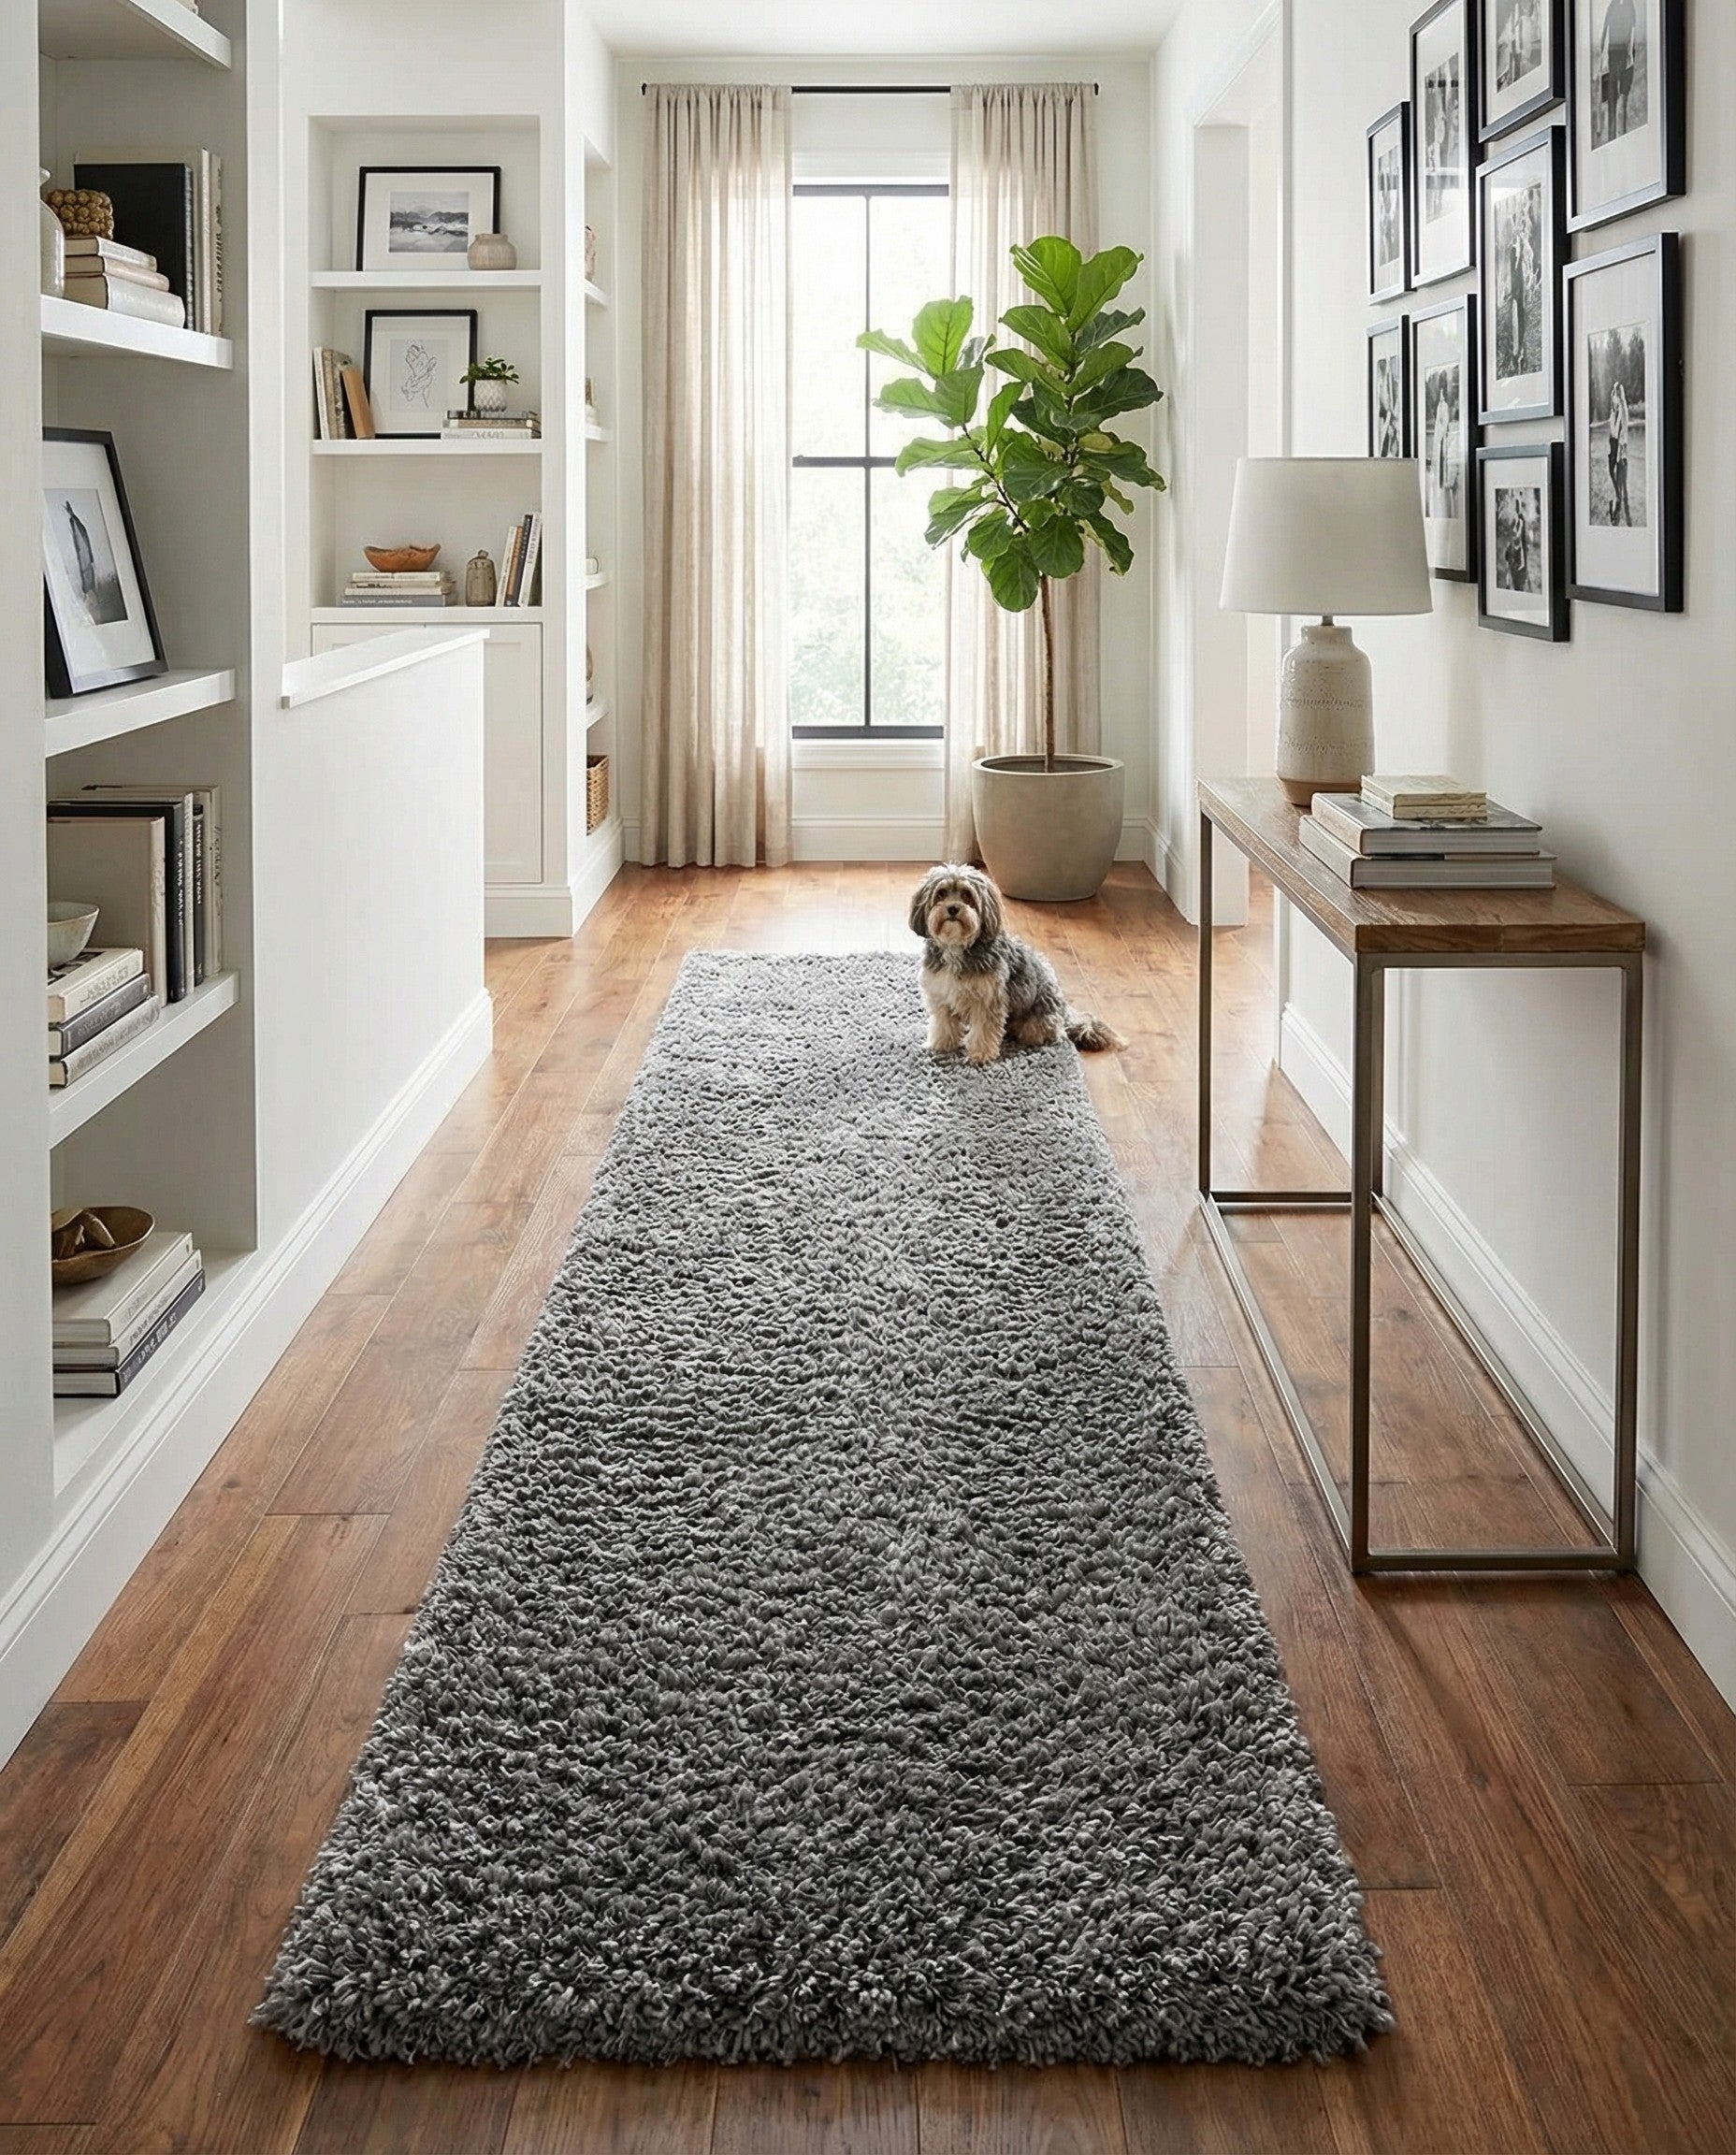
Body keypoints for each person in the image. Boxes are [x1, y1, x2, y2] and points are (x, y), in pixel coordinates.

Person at [1599, 0, 1640, 142]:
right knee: (1612, 93)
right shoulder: (1613, 5)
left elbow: (1634, 28)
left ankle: (1621, 132)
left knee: (1623, 94)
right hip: (1613, 51)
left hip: (1623, 52)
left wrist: (1630, 51)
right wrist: (1602, 52)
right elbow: (1605, 30)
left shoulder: (1629, 5)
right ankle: (1612, 134)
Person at [1608, 378, 1631, 525]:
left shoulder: (1622, 410)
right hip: (1613, 444)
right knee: (1612, 472)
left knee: (1617, 476)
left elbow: (1621, 432)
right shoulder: (1614, 411)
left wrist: (1620, 454)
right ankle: (1618, 497)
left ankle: (1618, 503)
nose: (1613, 398)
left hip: (1618, 446)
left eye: (1615, 395)